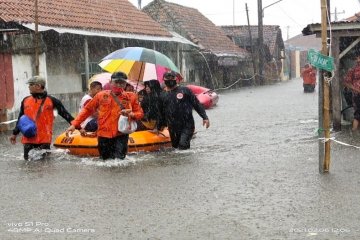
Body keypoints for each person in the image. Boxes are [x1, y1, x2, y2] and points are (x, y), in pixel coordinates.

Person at [65, 72, 144, 160]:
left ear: (125, 84)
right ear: (110, 82)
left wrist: (131, 114)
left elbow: (140, 114)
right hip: (103, 134)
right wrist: (74, 125)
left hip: (121, 134)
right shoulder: (101, 95)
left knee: (120, 161)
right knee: (105, 161)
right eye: (116, 82)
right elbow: (87, 110)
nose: (118, 85)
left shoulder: (131, 97)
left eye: (121, 83)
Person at [9, 76, 74, 160]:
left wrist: (78, 127)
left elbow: (66, 115)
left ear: (38, 86)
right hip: (28, 139)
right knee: (28, 167)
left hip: (44, 140)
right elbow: (21, 119)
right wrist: (14, 134)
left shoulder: (52, 101)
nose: (29, 87)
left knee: (44, 167)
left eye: (31, 84)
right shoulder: (25, 100)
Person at [157, 71, 210, 150]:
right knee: (176, 148)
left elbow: (196, 104)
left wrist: (204, 117)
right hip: (172, 126)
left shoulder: (185, 90)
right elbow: (161, 112)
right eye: (168, 78)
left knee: (183, 145)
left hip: (187, 124)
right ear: (164, 80)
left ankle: (186, 161)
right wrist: (160, 126)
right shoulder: (162, 95)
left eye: (172, 78)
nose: (170, 80)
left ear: (176, 79)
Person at [343, 56, 360, 131]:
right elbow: (346, 83)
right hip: (357, 94)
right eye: (358, 57)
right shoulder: (353, 70)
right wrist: (356, 89)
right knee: (358, 114)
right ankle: (354, 132)